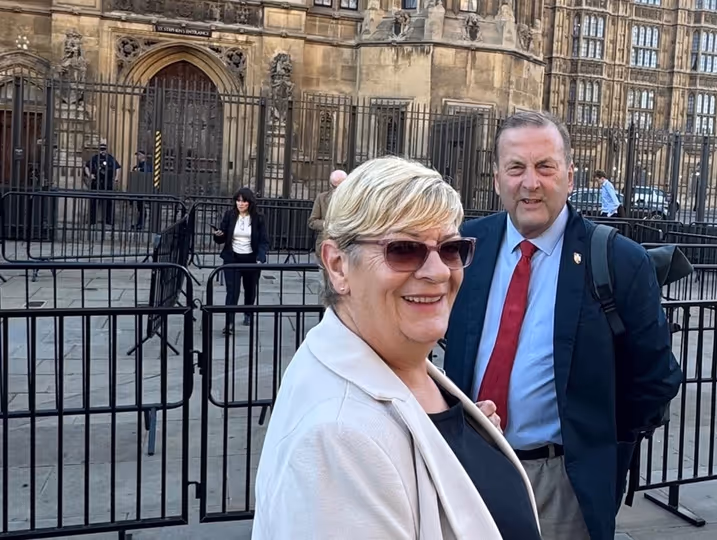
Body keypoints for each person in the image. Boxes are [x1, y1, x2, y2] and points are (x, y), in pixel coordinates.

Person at [253, 156, 541, 540]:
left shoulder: (399, 362)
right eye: (404, 249)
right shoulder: (339, 441)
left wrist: (465, 438)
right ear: (338, 265)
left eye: (450, 248)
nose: (438, 271)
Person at [444, 111, 682, 540]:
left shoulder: (620, 260)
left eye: (544, 167)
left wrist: (597, 442)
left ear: (570, 177)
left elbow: (656, 378)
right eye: (516, 168)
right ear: (497, 177)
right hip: (465, 467)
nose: (530, 183)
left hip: (560, 484)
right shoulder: (464, 246)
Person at [212, 187, 270, 335]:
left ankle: (248, 312)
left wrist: (260, 257)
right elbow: (222, 237)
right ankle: (229, 322)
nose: (240, 204)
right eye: (238, 201)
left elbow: (264, 241)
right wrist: (219, 234)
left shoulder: (259, 218)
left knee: (250, 289)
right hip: (232, 258)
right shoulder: (229, 215)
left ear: (250, 203)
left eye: (243, 201)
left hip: (251, 259)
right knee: (232, 291)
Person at [307, 169, 347, 263]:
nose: (338, 190)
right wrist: (327, 224)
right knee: (325, 276)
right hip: (325, 246)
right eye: (335, 187)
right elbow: (312, 222)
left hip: (346, 247)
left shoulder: (354, 199)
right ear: (330, 185)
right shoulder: (322, 198)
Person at [83, 142, 121, 226]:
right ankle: (92, 220)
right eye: (101, 149)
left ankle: (109, 221)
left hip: (108, 183)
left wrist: (116, 178)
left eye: (104, 149)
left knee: (109, 202)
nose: (102, 151)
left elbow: (118, 167)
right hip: (96, 182)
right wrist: (90, 175)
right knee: (94, 202)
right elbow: (86, 166)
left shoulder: (110, 158)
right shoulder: (95, 158)